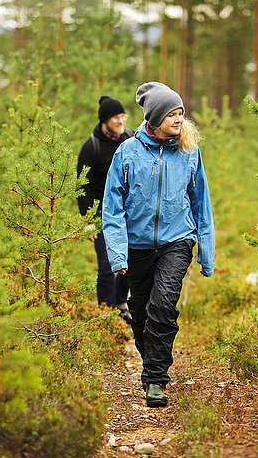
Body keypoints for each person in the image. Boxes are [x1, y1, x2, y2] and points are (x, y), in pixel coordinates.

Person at [102, 82, 215, 407]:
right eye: (172, 114)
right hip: (137, 247)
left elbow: (201, 204)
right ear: (154, 118)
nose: (179, 119)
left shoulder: (189, 151)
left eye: (181, 113)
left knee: (162, 306)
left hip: (176, 242)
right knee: (140, 311)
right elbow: (112, 208)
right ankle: (152, 355)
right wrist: (118, 254)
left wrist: (205, 251)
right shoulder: (128, 153)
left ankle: (155, 380)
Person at [77, 95, 134, 321]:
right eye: (116, 118)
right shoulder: (91, 147)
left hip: (130, 213)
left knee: (130, 262)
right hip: (102, 216)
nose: (121, 121)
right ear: (104, 120)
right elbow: (83, 186)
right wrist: (88, 220)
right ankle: (106, 316)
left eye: (123, 116)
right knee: (106, 266)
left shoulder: (130, 139)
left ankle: (121, 304)